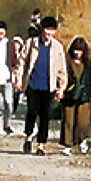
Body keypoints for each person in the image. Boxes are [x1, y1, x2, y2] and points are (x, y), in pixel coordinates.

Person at [14, 15, 68, 155]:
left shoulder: (57, 47)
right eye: (46, 30)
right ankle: (28, 137)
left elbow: (62, 69)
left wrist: (61, 88)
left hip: (48, 86)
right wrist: (18, 79)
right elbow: (21, 62)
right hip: (33, 84)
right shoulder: (32, 43)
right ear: (42, 30)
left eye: (52, 30)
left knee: (45, 116)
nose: (48, 33)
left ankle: (41, 145)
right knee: (31, 112)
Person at [59, 37, 91, 154]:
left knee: (83, 121)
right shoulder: (66, 63)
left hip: (84, 96)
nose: (78, 53)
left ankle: (82, 141)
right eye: (76, 50)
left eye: (80, 50)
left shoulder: (88, 65)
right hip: (69, 96)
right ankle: (67, 145)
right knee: (68, 121)